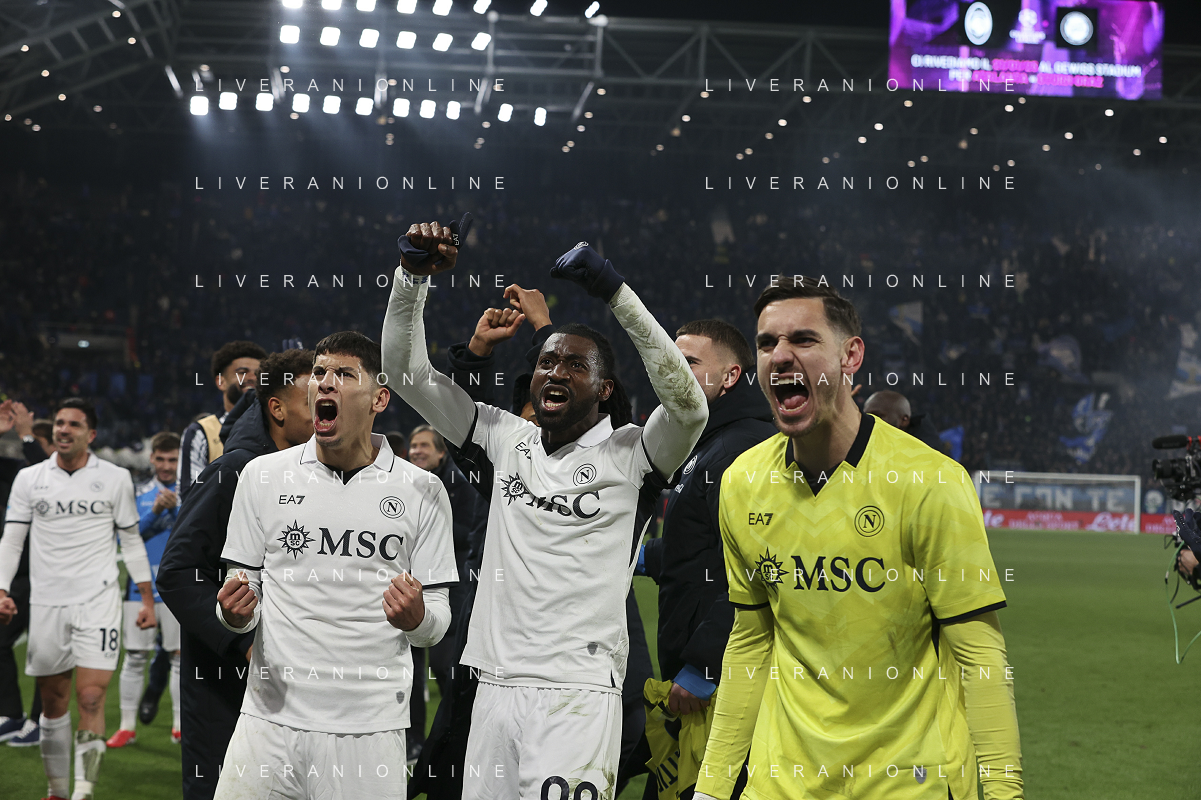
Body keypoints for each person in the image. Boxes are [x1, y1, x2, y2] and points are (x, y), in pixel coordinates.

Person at [382, 223, 708, 799]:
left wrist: (614, 292)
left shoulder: (633, 455)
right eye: (547, 362)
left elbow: (688, 406)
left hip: (577, 695)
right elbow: (407, 374)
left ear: (604, 389)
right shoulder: (502, 437)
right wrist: (411, 278)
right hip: (493, 686)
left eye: (575, 365)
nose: (555, 371)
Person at [693, 277, 1022, 800]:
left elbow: (979, 655)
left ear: (851, 356)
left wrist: (1005, 792)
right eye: (767, 342)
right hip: (782, 785)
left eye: (803, 339)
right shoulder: (743, 482)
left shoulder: (929, 481)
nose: (780, 355)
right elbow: (751, 641)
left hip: (908, 784)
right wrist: (711, 787)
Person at [212, 331, 459, 800]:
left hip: (368, 729)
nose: (326, 383)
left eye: (345, 374)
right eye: (320, 373)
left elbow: (438, 619)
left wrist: (418, 619)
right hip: (267, 722)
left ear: (379, 398)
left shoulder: (422, 491)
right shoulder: (262, 476)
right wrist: (234, 614)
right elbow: (241, 588)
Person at [157, 348, 315, 800]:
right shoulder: (233, 470)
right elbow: (178, 571)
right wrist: (242, 642)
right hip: (225, 682)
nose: (328, 405)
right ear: (277, 408)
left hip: (298, 679)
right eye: (312, 398)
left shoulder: (319, 474)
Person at [636, 318, 776, 799]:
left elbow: (753, 568)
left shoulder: (742, 447)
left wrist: (703, 666)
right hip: (694, 670)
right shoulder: (709, 441)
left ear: (731, 376)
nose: (671, 371)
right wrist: (642, 558)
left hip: (718, 681)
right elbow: (701, 550)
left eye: (689, 362)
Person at [0, 397, 156, 800]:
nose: (63, 430)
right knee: (53, 703)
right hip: (47, 603)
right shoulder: (30, 478)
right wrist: (1, 589)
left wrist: (146, 599)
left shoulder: (116, 478)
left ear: (92, 434)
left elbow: (131, 540)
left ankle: (83, 791)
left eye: (74, 424)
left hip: (97, 601)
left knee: (90, 696)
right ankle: (56, 789)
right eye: (60, 423)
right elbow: (12, 539)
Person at [404, 424, 489, 764]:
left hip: (448, 593)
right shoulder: (406, 482)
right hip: (408, 592)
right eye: (413, 445)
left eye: (425, 445)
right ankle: (413, 743)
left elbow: (471, 534)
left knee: (445, 671)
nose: (417, 451)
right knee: (410, 674)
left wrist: (429, 532)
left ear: (441, 452)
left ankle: (454, 745)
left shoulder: (460, 482)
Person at [106, 431, 183, 749]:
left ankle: (180, 726)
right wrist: (155, 513)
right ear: (151, 458)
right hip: (140, 588)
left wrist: (176, 510)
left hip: (179, 588)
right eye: (160, 459)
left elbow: (200, 535)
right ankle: (126, 727)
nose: (166, 466)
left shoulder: (192, 492)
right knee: (136, 656)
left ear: (180, 460)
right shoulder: (135, 493)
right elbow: (125, 535)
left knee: (179, 657)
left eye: (172, 460)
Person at [0, 399, 48, 747]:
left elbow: (44, 470)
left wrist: (28, 436)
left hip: (49, 575)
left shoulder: (50, 474)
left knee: (44, 651)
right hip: (17, 577)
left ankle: (40, 720)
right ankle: (11, 714)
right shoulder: (15, 472)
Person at [178, 340, 267, 497]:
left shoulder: (278, 429)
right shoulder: (201, 432)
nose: (252, 378)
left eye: (258, 373)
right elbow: (191, 495)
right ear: (221, 382)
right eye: (242, 372)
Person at [862, 389, 944, 451]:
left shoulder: (926, 454)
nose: (869, 420)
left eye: (877, 416)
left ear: (904, 420)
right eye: (866, 416)